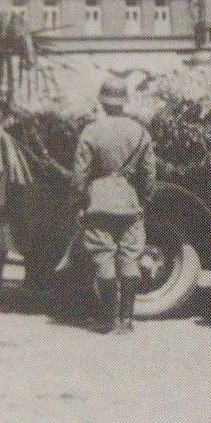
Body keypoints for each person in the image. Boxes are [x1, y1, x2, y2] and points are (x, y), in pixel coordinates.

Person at [71, 76, 156, 334]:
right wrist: (142, 198)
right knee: (130, 258)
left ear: (102, 101)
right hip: (129, 203)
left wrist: (81, 200)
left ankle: (109, 320)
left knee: (103, 258)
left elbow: (79, 174)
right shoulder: (140, 132)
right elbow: (149, 173)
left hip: (99, 202)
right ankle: (127, 320)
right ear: (125, 102)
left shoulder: (91, 131)